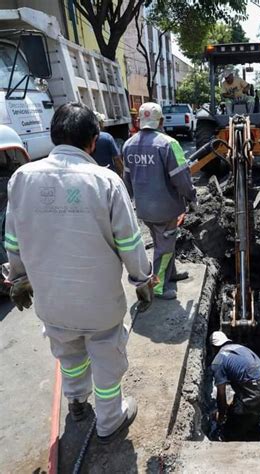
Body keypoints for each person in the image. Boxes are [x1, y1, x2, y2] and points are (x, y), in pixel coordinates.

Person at [3, 102, 155, 444]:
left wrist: (19, 278)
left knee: (68, 352)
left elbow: (12, 238)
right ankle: (110, 419)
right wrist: (142, 281)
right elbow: (130, 243)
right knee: (106, 356)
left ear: (55, 135)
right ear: (93, 140)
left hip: (51, 300)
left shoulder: (21, 178)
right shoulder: (106, 181)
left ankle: (76, 402)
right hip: (98, 302)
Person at [123, 102, 196, 300]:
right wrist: (192, 196)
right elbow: (182, 178)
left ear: (139, 121)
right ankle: (156, 287)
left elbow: (126, 180)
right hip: (165, 209)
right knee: (164, 249)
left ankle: (170, 274)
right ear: (161, 121)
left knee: (163, 243)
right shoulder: (169, 144)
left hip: (145, 210)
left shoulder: (128, 145)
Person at [210, 331, 260, 441]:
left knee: (230, 430)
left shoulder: (218, 361)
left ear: (213, 348)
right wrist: (230, 406)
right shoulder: (240, 348)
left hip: (259, 394)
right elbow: (243, 381)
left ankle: (240, 434)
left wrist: (221, 416)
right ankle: (252, 424)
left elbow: (221, 394)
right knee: (244, 414)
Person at [91, 112, 123, 176]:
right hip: (108, 175)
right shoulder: (107, 137)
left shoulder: (85, 139)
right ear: (100, 123)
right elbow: (117, 160)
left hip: (91, 176)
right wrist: (119, 176)